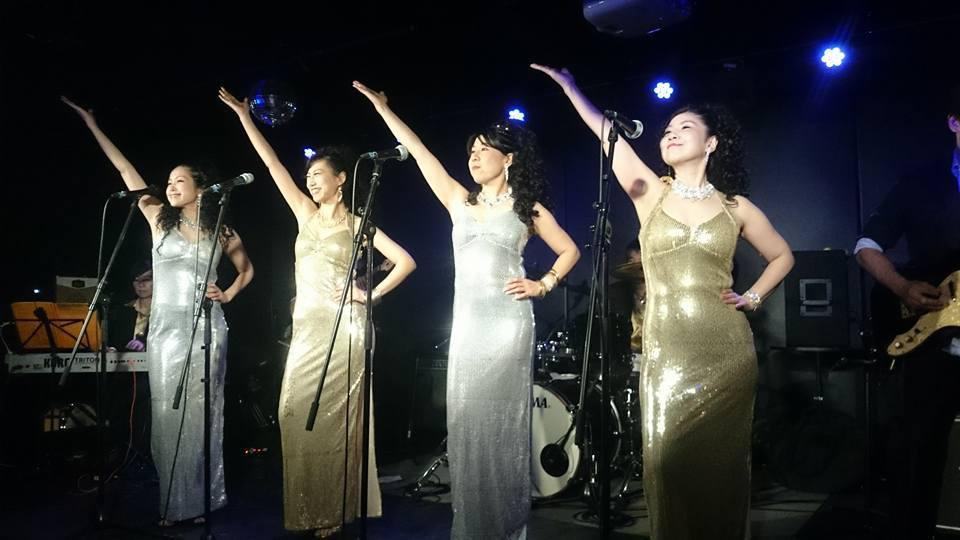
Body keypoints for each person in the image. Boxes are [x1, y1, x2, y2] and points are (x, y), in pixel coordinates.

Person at [531, 64, 794, 539]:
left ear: (711, 143)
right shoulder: (651, 192)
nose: (671, 134)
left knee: (723, 473)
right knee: (668, 465)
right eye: (667, 129)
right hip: (668, 353)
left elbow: (783, 256)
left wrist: (753, 297)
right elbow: (606, 133)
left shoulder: (734, 207)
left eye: (685, 127)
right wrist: (571, 87)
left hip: (729, 355)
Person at [354, 80, 580, 539]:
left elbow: (570, 250)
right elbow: (420, 153)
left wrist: (544, 284)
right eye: (471, 151)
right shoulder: (459, 200)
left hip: (508, 324)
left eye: (483, 151)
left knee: (502, 425)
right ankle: (473, 525)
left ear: (508, 159)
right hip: (469, 325)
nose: (474, 157)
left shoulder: (527, 208)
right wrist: (383, 109)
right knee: (466, 422)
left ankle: (507, 526)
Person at [219, 87, 415, 537]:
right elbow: (272, 165)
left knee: (338, 422)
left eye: (319, 174)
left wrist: (370, 295)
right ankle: (310, 507)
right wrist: (245, 117)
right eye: (307, 175)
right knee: (291, 411)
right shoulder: (304, 214)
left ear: (341, 179)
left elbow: (406, 261)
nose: (310, 181)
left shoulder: (358, 224)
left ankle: (334, 512)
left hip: (345, 329)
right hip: (307, 330)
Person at [62, 96, 254, 525]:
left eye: (179, 181)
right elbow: (126, 171)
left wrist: (228, 294)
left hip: (206, 329)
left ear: (201, 188)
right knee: (168, 414)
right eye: (168, 181)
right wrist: (93, 125)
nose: (170, 187)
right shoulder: (158, 219)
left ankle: (202, 502)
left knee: (202, 412)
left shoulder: (221, 229)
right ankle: (173, 502)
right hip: (166, 331)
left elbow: (247, 270)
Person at [855, 86, 960, 538]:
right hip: (931, 332)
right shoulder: (920, 181)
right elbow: (866, 245)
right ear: (954, 121)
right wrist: (902, 286)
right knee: (918, 450)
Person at [109, 260, 153, 352]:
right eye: (137, 280)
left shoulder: (164, 313)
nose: (141, 285)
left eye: (146, 279)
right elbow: (115, 343)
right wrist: (112, 349)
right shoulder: (122, 312)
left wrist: (146, 347)